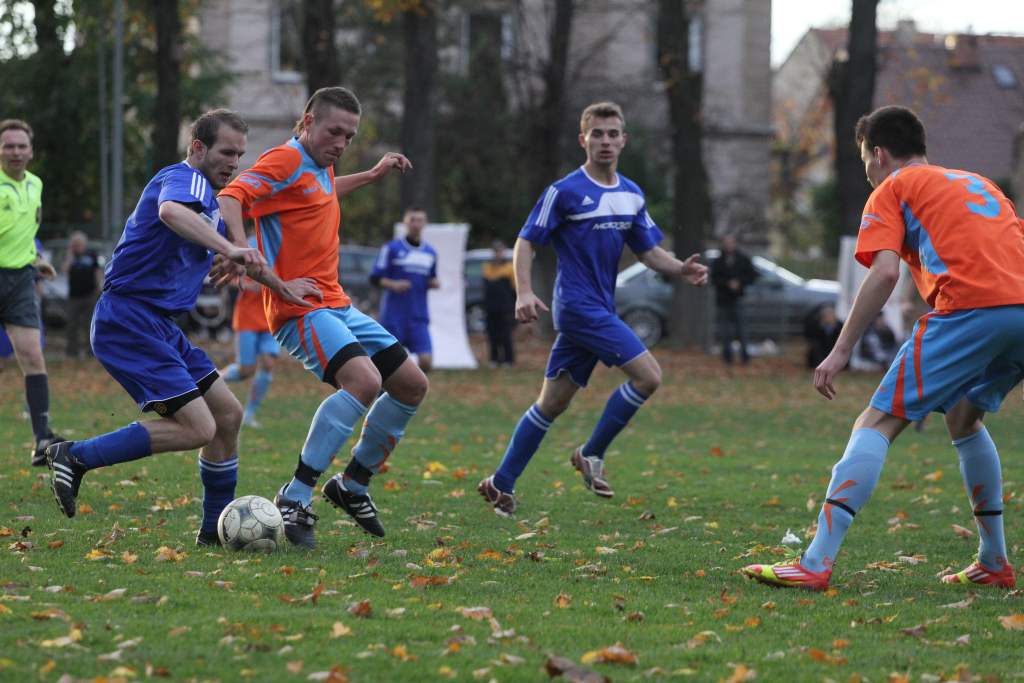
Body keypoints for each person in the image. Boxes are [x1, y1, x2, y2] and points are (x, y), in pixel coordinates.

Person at [743, 105, 1024, 591]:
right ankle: (994, 561)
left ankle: (814, 563)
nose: (868, 173)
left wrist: (840, 348)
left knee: (875, 422)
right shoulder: (976, 183)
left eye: (864, 161)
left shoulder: (893, 188)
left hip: (972, 308)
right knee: (963, 417)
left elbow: (885, 273)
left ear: (878, 153)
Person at [44, 110, 312, 547]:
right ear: (197, 148)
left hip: (159, 325)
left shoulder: (210, 202)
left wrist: (282, 287)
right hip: (128, 319)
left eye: (240, 155)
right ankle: (74, 457)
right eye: (227, 152)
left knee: (227, 417)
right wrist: (227, 246)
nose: (234, 162)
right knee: (198, 429)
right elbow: (170, 212)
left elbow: (243, 256)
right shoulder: (184, 180)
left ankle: (212, 533)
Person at [218, 86, 428, 548]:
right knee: (365, 381)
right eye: (334, 131)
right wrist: (239, 248)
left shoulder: (320, 166)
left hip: (336, 303)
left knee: (412, 383)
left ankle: (352, 484)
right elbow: (232, 196)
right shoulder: (286, 159)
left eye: (349, 136)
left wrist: (370, 175)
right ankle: (295, 496)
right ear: (308, 120)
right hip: (298, 307)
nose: (341, 143)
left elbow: (322, 192)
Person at [477, 101, 708, 517]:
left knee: (552, 404)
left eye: (612, 133)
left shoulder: (631, 194)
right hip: (578, 307)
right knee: (649, 377)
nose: (605, 141)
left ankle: (501, 483)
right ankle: (591, 453)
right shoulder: (564, 191)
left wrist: (680, 269)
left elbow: (648, 250)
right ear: (583, 140)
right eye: (597, 134)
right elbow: (526, 240)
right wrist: (524, 291)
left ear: (624, 140)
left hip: (599, 307)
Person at [0, 118, 63, 466]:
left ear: (31, 150)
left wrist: (37, 259)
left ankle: (42, 440)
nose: (15, 152)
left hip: (21, 281)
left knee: (33, 357)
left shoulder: (35, 184)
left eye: (21, 146)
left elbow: (24, 231)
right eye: (9, 145)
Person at [221, 228, 280, 428]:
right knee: (245, 369)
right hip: (247, 316)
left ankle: (249, 414)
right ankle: (206, 384)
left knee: (268, 364)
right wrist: (244, 284)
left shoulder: (283, 242)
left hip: (271, 315)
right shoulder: (247, 243)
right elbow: (226, 276)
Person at [370, 207, 439, 372]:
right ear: (405, 223)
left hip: (418, 316)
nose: (416, 224)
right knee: (387, 362)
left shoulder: (430, 253)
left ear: (425, 223)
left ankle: (409, 390)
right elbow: (374, 278)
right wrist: (393, 285)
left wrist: (433, 283)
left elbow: (431, 277)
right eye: (412, 220)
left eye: (420, 220)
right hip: (394, 315)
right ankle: (384, 391)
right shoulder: (392, 248)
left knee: (426, 360)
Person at [710, 234, 758, 365]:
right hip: (723, 300)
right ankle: (727, 357)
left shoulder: (743, 259)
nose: (728, 245)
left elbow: (752, 275)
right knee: (725, 331)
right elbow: (714, 278)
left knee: (742, 330)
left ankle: (745, 357)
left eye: (731, 243)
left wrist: (740, 283)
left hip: (738, 299)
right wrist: (727, 283)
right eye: (726, 243)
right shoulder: (718, 261)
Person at [62, 230, 103, 359]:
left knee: (89, 325)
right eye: (74, 244)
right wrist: (70, 255)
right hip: (74, 296)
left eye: (79, 243)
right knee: (72, 325)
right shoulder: (71, 257)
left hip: (90, 294)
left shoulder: (92, 255)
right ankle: (71, 352)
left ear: (84, 244)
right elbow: (65, 270)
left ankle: (91, 352)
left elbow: (98, 271)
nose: (77, 246)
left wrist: (99, 287)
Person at [482, 240, 516, 367]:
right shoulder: (487, 268)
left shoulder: (509, 268)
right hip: (491, 307)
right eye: (496, 251)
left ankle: (508, 360)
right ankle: (494, 359)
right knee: (492, 334)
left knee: (505, 334)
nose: (498, 254)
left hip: (505, 307)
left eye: (500, 251)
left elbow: (514, 289)